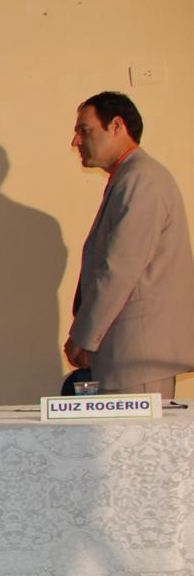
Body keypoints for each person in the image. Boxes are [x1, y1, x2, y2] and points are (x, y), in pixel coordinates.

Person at [64, 91, 194, 397]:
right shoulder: (132, 177)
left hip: (138, 355)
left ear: (117, 126)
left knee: (134, 431)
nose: (76, 141)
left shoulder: (141, 179)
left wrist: (83, 335)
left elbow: (119, 268)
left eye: (84, 130)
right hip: (129, 353)